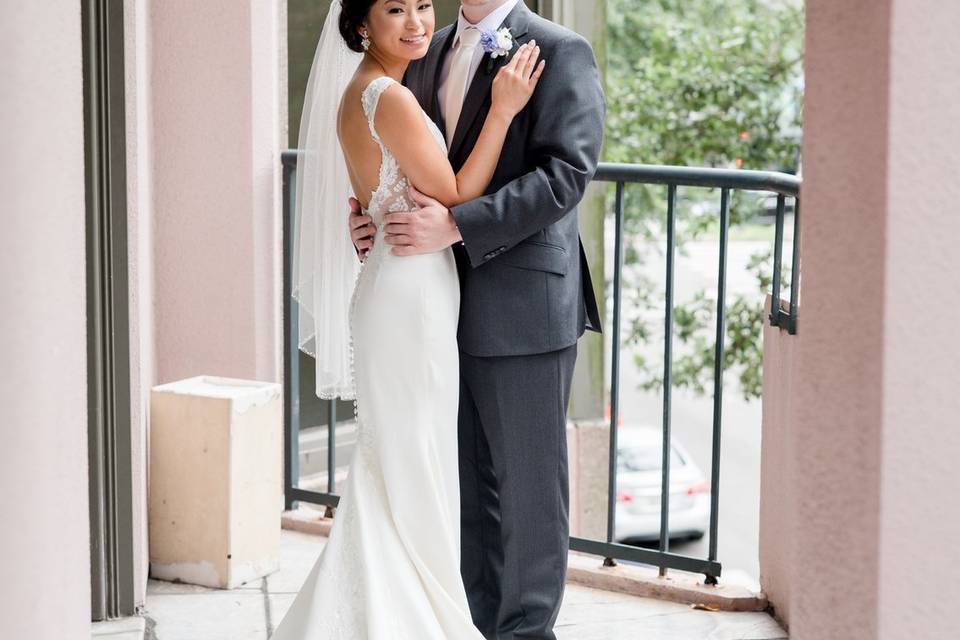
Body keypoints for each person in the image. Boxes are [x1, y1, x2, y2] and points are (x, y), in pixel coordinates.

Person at [277, 0, 545, 637]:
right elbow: (457, 195)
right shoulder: (388, 98)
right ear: (361, 25)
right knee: (415, 464)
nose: (417, 21)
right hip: (410, 293)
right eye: (395, 8)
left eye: (424, 4)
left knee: (397, 465)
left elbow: (379, 193)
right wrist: (503, 112)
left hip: (396, 282)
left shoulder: (364, 92)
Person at [349, 0, 605, 637]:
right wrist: (372, 217)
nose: (411, 16)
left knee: (528, 490)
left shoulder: (560, 49)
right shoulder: (422, 48)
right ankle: (473, 623)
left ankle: (525, 633)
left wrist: (458, 225)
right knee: (462, 486)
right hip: (433, 304)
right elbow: (401, 158)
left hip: (523, 306)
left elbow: (566, 176)